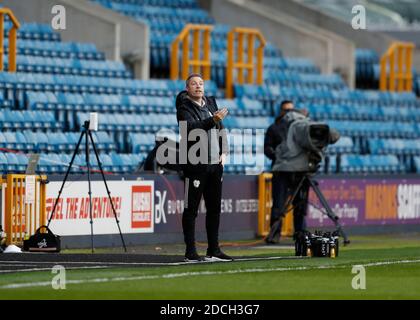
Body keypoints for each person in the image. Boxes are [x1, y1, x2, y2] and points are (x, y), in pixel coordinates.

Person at [176, 73, 232, 262]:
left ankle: (213, 250)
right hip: (195, 165)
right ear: (187, 89)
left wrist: (224, 153)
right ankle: (190, 251)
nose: (198, 86)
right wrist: (213, 120)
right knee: (191, 209)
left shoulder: (210, 106)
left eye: (201, 83)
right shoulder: (184, 108)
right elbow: (191, 129)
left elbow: (221, 129)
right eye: (194, 84)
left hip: (215, 165)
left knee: (214, 208)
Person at [264, 100, 309, 244]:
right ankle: (275, 233)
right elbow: (267, 148)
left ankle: (300, 233)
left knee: (300, 203)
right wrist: (277, 156)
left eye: (291, 109)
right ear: (281, 111)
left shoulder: (301, 127)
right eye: (286, 110)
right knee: (278, 203)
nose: (289, 112)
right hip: (281, 170)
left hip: (300, 170)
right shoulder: (274, 128)